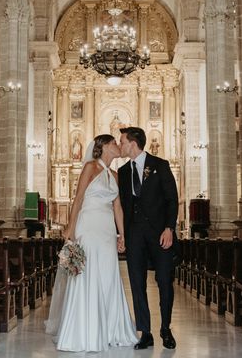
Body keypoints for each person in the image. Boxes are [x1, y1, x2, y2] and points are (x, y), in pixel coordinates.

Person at [45, 135, 138, 352]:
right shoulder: (90, 167)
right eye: (114, 143)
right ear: (104, 146)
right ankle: (83, 330)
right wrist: (70, 227)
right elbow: (78, 199)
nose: (117, 146)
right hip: (88, 226)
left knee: (107, 273)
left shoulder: (115, 175)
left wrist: (122, 235)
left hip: (106, 230)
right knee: (87, 273)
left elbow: (118, 208)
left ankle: (111, 329)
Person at [118, 126, 179, 350]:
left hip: (159, 234)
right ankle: (145, 332)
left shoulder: (160, 165)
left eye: (122, 141)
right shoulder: (124, 172)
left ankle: (165, 327)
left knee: (164, 281)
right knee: (136, 283)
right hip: (135, 235)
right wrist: (121, 234)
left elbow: (172, 200)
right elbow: (122, 206)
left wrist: (169, 228)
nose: (120, 145)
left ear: (133, 143)